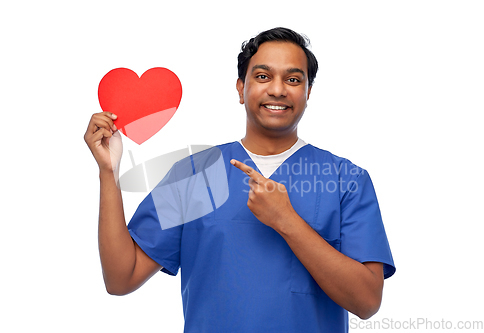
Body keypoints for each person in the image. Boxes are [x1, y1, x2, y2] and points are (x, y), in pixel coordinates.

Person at [84, 27, 395, 332]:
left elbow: (367, 301)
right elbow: (121, 278)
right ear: (240, 88)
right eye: (262, 76)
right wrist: (108, 172)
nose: (277, 89)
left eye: (293, 79)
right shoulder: (195, 175)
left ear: (308, 92)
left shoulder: (345, 180)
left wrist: (287, 221)